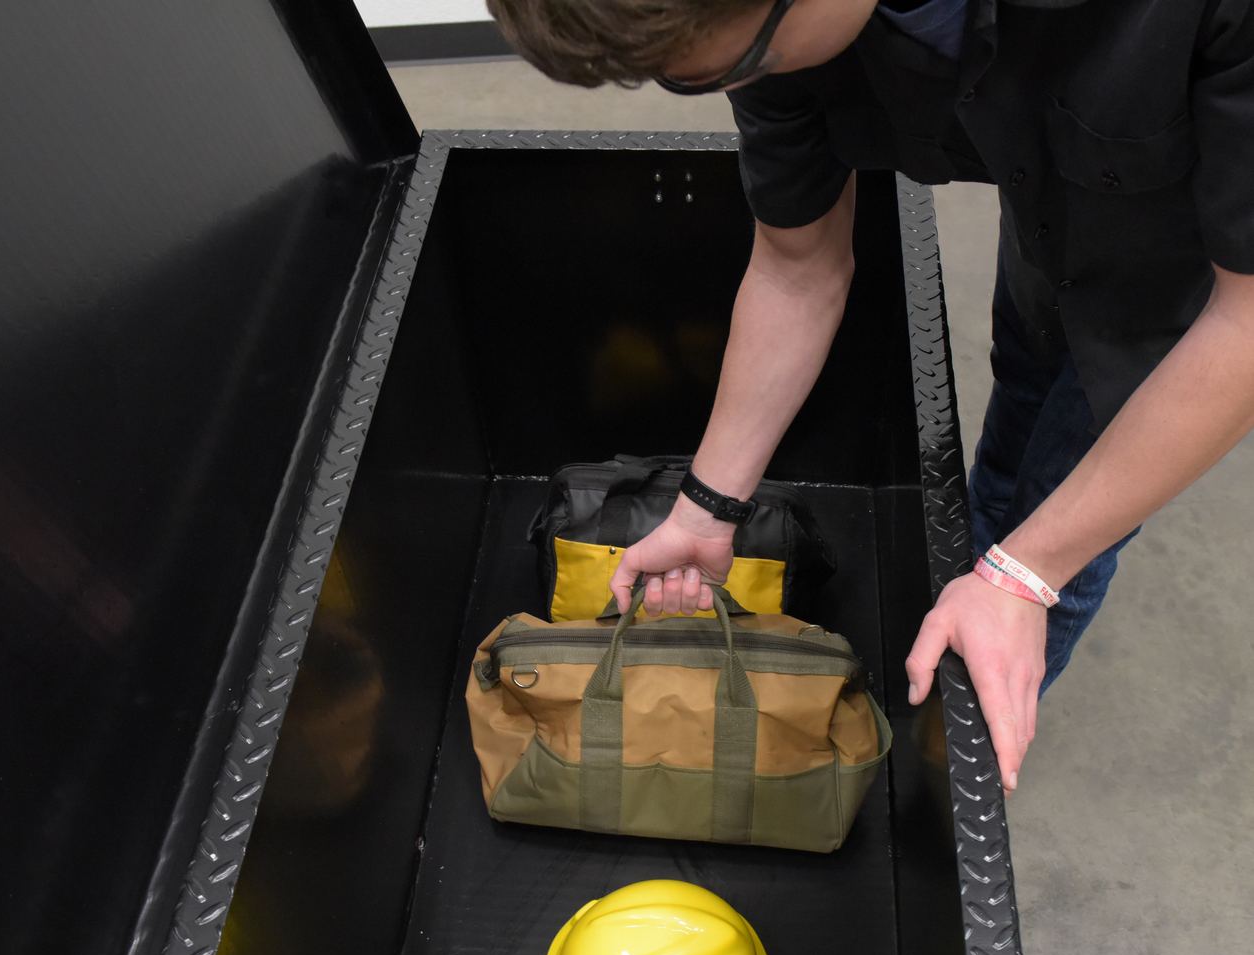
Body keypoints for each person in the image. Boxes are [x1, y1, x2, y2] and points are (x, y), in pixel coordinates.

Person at [487, 0, 1254, 794]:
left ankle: (948, 764)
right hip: (1067, 204)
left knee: (1063, 517)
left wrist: (1027, 575)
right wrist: (705, 509)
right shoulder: (753, 21)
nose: (743, 85)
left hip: (1197, 279)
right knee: (1023, 407)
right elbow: (797, 269)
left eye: (745, 63)